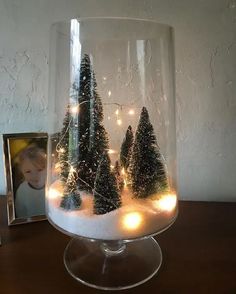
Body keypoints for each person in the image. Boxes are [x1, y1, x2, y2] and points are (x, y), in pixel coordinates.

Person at [15, 145, 47, 218]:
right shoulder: (22, 190)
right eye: (28, 171)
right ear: (22, 172)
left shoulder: (54, 186)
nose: (35, 176)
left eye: (39, 169)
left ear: (48, 168)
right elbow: (21, 213)